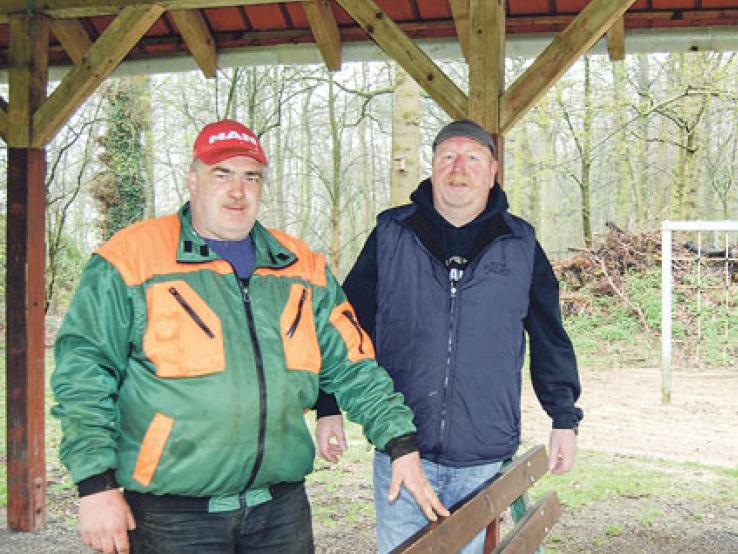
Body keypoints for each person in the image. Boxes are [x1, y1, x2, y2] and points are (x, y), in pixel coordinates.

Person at [51, 119, 448, 554]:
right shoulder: (129, 260)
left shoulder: (301, 266)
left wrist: (400, 442)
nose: (237, 191)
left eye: (250, 176)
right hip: (173, 516)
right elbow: (84, 376)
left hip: (279, 510)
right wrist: (95, 485)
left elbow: (354, 366)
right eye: (221, 174)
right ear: (193, 180)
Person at [315, 119, 583, 553]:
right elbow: (345, 328)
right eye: (448, 157)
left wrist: (564, 417)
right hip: (402, 452)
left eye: (472, 158)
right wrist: (327, 405)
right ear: (433, 165)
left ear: (493, 170)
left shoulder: (519, 243)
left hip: (482, 458)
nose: (459, 168)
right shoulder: (392, 234)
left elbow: (550, 336)